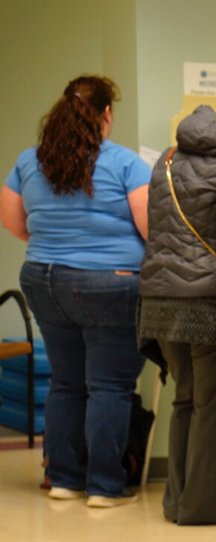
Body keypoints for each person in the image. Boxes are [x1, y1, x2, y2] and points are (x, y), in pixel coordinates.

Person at [1, 75, 150, 508]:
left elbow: (14, 222)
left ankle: (64, 478)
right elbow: (150, 227)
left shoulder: (31, 161)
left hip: (45, 279)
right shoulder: (125, 163)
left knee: (65, 382)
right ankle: (104, 486)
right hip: (111, 283)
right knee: (108, 386)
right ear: (106, 114)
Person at [138, 101, 216, 526]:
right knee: (212, 403)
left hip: (158, 296)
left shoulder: (168, 159)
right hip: (207, 297)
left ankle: (176, 500)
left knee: (185, 398)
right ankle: (200, 506)